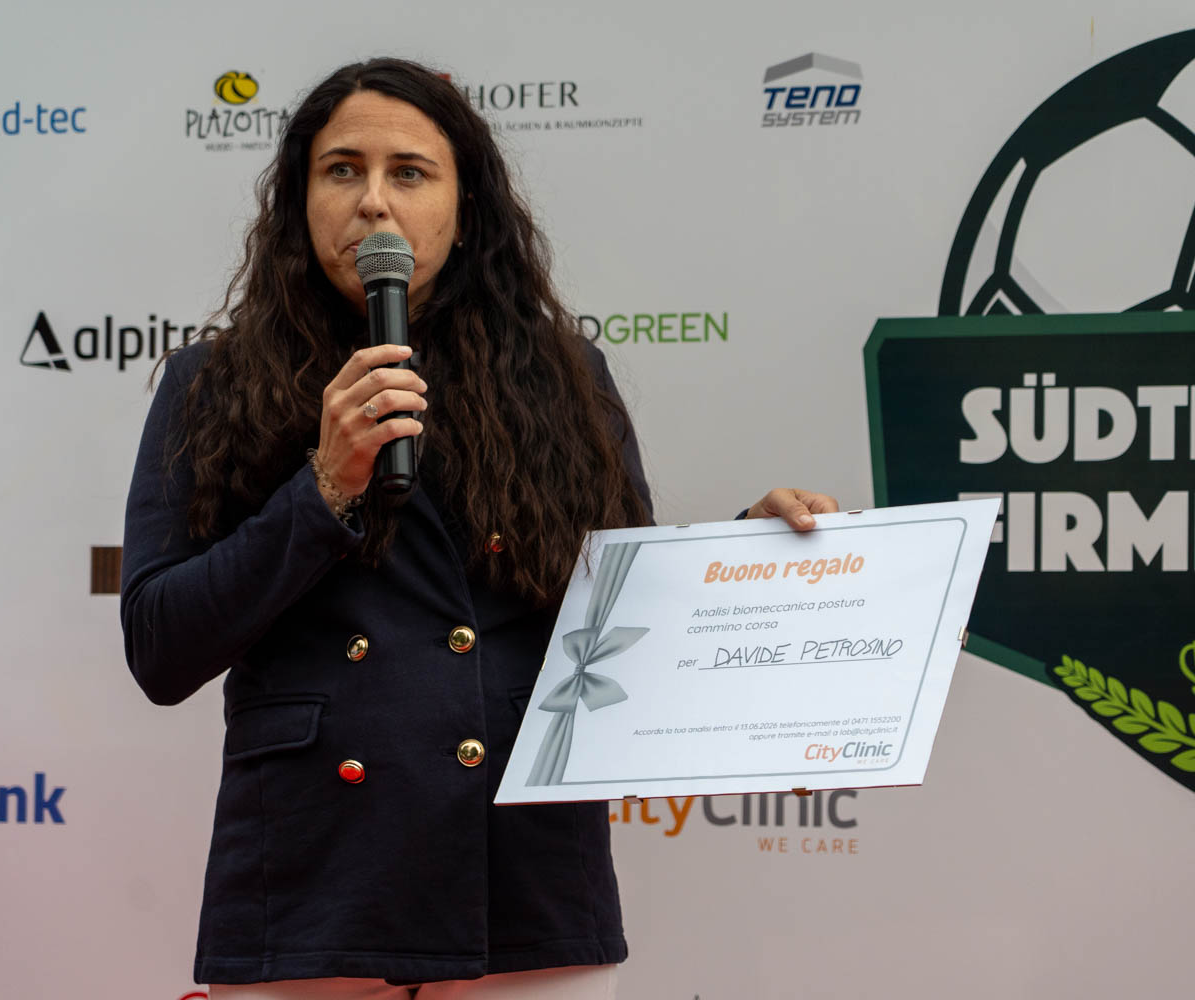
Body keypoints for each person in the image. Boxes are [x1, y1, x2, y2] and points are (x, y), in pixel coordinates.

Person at [120, 57, 838, 999]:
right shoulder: (208, 384)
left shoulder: (561, 374)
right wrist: (324, 487)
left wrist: (759, 564)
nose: (373, 201)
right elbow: (161, 648)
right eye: (342, 170)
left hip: (524, 875)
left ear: (465, 210)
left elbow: (622, 617)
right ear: (300, 200)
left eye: (410, 173)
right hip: (310, 882)